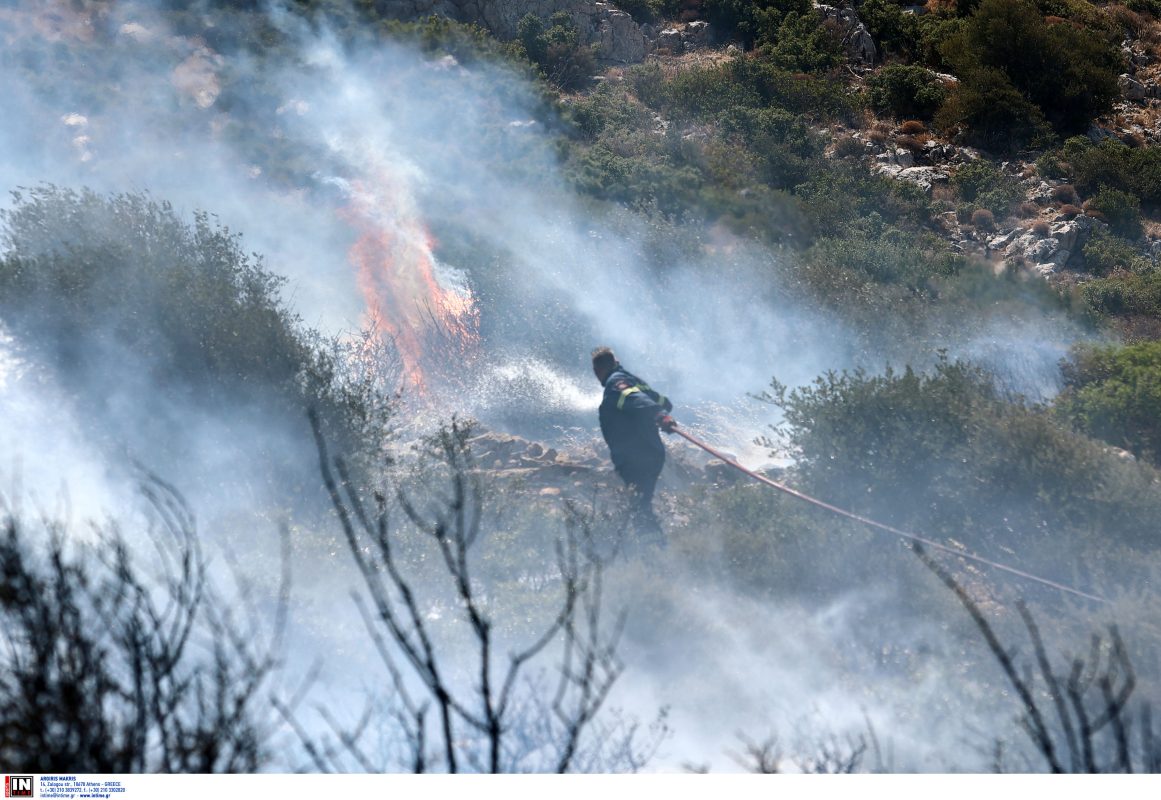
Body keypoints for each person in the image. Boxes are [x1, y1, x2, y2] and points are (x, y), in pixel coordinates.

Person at [592, 346, 677, 541]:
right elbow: (663, 401)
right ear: (616, 362)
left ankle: (653, 551)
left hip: (635, 456)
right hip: (651, 452)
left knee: (639, 508)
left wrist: (659, 414)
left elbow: (633, 397)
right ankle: (657, 546)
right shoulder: (633, 380)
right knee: (642, 504)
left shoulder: (616, 384)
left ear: (598, 371)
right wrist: (661, 410)